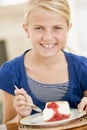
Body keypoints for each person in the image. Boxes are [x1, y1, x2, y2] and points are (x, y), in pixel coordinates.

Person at [0, 0, 87, 124]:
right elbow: (7, 125)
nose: (47, 37)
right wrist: (21, 117)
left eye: (57, 28)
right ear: (26, 30)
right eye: (39, 28)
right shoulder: (10, 72)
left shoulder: (83, 67)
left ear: (68, 29)